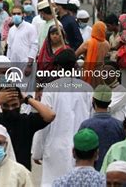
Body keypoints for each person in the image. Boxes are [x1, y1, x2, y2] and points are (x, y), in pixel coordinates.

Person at [36, 49, 93, 185]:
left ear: (58, 68)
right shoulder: (87, 89)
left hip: (55, 146)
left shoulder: (50, 89)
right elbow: (91, 119)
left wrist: (37, 150)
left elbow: (43, 123)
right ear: (75, 66)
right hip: (82, 146)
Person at [0, 87, 55, 170]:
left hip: (22, 171)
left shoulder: (27, 121)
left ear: (20, 103)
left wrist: (27, 99)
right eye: (6, 105)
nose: (10, 109)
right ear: (1, 105)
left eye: (14, 105)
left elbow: (50, 115)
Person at [79, 85, 126, 170]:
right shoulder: (119, 126)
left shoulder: (86, 125)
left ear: (93, 100)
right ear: (110, 102)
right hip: (113, 172)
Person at [7, 5, 38, 79]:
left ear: (23, 14)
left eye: (18, 14)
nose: (16, 16)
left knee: (28, 88)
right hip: (14, 65)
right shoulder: (11, 30)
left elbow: (34, 46)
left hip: (26, 64)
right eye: (14, 14)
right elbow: (9, 48)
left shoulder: (30, 27)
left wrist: (29, 65)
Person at [76, 21, 110, 86]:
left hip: (88, 70)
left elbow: (76, 54)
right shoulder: (107, 44)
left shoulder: (89, 43)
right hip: (101, 71)